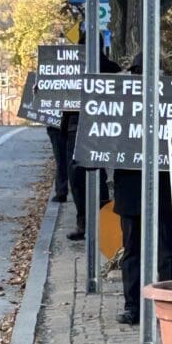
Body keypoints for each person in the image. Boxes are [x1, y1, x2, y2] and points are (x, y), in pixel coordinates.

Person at [112, 52, 172, 325]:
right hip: (135, 189)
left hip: (161, 188)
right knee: (140, 250)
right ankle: (138, 306)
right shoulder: (120, 99)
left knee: (161, 250)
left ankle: (167, 305)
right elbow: (103, 139)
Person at [63, 33, 120, 240]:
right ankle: (84, 222)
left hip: (100, 129)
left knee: (99, 177)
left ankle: (101, 223)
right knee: (76, 177)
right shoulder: (69, 71)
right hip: (75, 128)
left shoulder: (111, 69)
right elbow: (57, 94)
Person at [46, 122, 68, 202]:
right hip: (65, 125)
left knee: (61, 160)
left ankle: (61, 191)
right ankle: (61, 191)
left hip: (56, 125)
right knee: (64, 160)